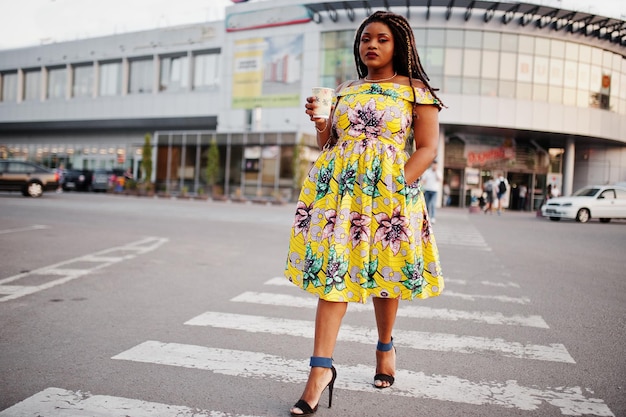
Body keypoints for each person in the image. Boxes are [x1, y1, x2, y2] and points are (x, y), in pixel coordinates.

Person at [286, 11, 445, 416]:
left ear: (399, 46)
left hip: (390, 192)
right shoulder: (345, 89)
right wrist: (321, 121)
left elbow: (426, 147)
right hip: (339, 192)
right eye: (365, 39)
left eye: (382, 39)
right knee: (333, 274)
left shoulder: (416, 90)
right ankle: (319, 372)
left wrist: (397, 185)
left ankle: (384, 346)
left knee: (385, 272)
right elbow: (330, 142)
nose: (371, 45)